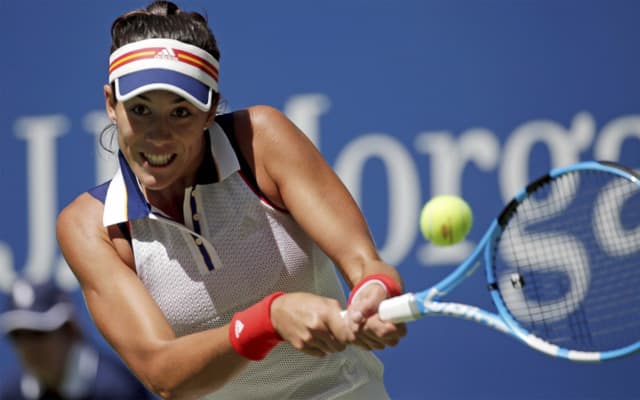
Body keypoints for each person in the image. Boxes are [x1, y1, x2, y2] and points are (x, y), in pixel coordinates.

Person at [56, 1, 407, 399]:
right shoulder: (90, 227)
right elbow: (163, 373)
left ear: (209, 112)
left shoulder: (262, 142)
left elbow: (366, 264)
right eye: (140, 110)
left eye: (181, 112)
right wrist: (269, 319)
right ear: (110, 104)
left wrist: (374, 291)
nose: (158, 135)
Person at [0, 279, 151, 400]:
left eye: (39, 333)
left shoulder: (117, 389)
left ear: (70, 331)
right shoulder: (13, 392)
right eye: (18, 335)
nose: (28, 347)